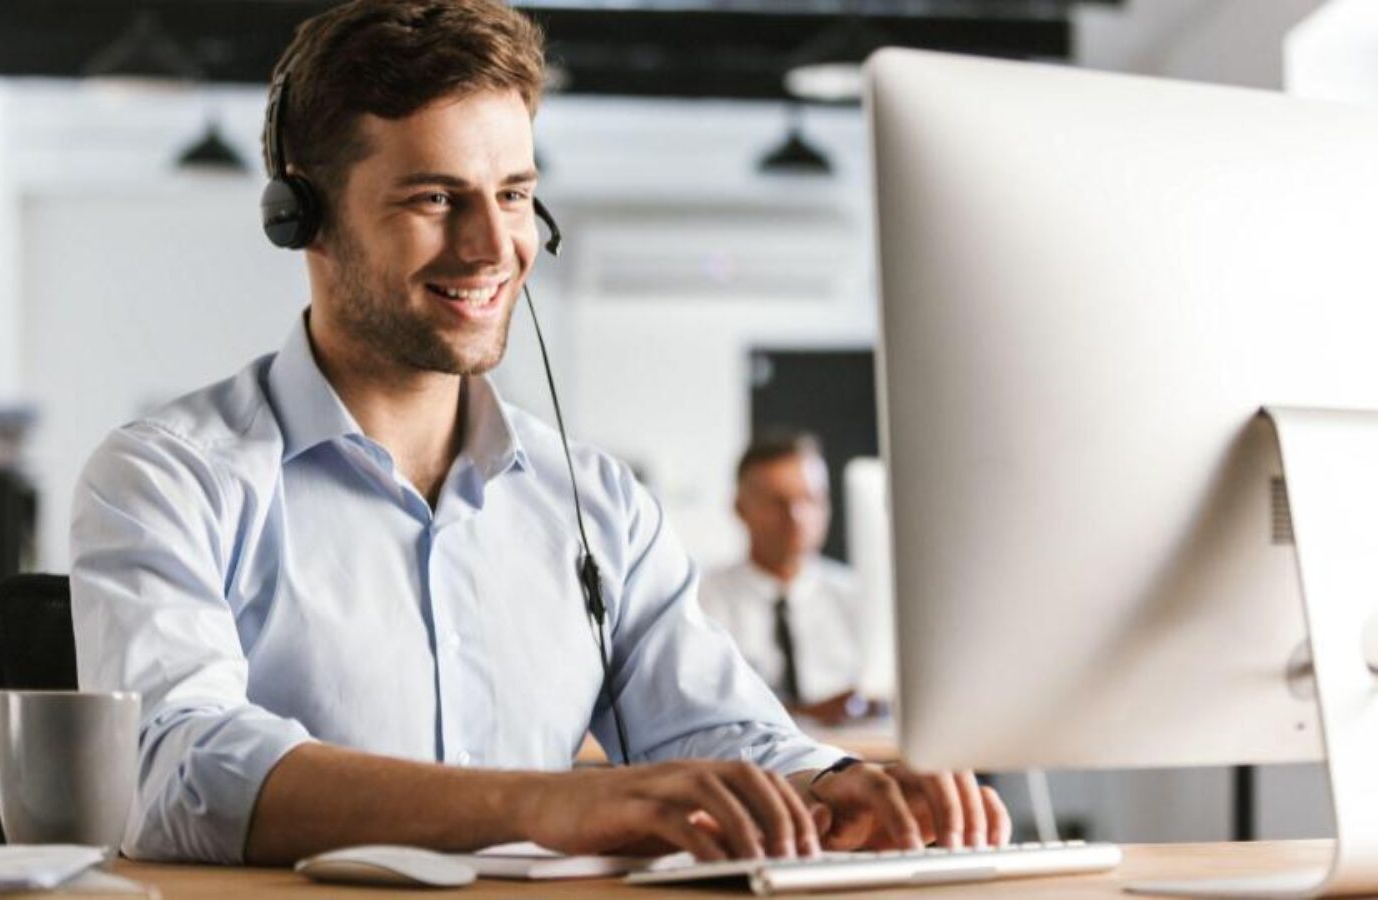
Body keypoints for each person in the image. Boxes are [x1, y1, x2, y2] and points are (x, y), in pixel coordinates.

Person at [69, 0, 1008, 867]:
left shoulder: (595, 502)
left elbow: (707, 727)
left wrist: (834, 787)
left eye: (514, 194)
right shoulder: (169, 475)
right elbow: (174, 768)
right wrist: (545, 806)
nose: (491, 248)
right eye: (435, 199)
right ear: (301, 216)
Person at [700, 432, 883, 726]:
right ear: (739, 508)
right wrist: (803, 715)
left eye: (810, 499)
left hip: (855, 756)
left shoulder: (860, 598)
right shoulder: (703, 601)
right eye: (777, 502)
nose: (796, 516)